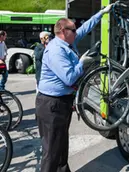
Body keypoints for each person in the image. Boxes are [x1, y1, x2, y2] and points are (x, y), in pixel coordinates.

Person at [35, 4, 113, 172]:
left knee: (61, 146)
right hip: (51, 105)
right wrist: (82, 63)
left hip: (61, 102)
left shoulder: (68, 42)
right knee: (51, 152)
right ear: (64, 32)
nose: (77, 31)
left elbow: (86, 27)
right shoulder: (55, 50)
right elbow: (69, 77)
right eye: (73, 29)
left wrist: (102, 13)